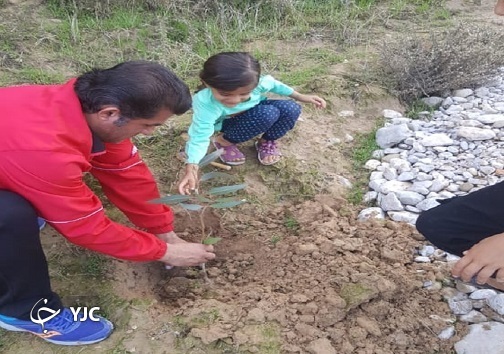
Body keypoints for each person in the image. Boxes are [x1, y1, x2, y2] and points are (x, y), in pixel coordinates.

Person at [0, 61, 216, 345]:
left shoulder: (83, 110)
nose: (150, 132)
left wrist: (164, 230)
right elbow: (86, 228)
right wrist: (165, 252)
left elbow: (127, 174)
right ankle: (25, 312)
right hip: (23, 155)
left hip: (15, 155)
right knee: (10, 216)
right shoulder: (46, 151)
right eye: (149, 125)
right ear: (111, 113)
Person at [177, 51, 326, 195]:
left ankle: (266, 141)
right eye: (225, 94)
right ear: (207, 83)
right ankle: (224, 141)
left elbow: (275, 85)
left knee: (291, 108)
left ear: (254, 86)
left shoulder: (258, 83)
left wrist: (300, 96)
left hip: (254, 112)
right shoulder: (205, 103)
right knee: (267, 114)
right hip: (229, 122)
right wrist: (192, 165)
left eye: (243, 94)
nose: (234, 100)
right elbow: (199, 135)